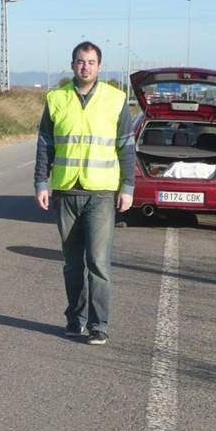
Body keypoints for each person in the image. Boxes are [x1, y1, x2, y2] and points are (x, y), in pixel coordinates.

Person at [34, 41, 136, 345]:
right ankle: (74, 319)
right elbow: (45, 144)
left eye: (91, 62)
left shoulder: (116, 99)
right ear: (72, 65)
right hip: (66, 191)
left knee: (98, 263)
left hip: (101, 193)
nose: (85, 67)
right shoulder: (56, 98)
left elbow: (126, 147)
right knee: (72, 263)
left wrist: (127, 187)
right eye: (80, 61)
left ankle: (98, 325)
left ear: (99, 66)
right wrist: (41, 183)